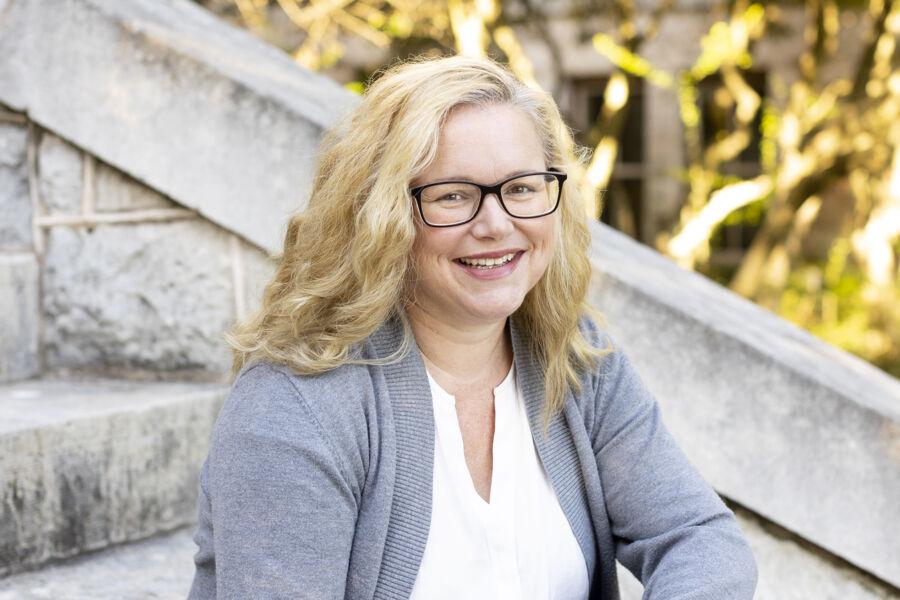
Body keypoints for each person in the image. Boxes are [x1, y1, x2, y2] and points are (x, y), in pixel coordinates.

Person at [188, 55, 757, 599]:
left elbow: (699, 538)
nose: (496, 224)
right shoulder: (296, 407)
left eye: (522, 188)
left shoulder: (574, 357)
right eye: (453, 196)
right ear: (380, 218)